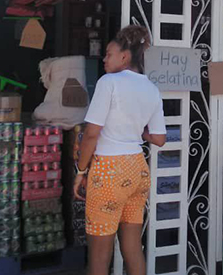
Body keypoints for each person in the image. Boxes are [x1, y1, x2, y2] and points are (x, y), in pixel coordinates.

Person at [73, 25, 167, 275]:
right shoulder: (152, 89)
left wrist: (80, 171)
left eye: (109, 54)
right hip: (137, 169)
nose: (104, 59)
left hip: (109, 171)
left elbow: (91, 134)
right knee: (133, 247)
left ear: (124, 57)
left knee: (99, 257)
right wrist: (138, 131)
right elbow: (159, 139)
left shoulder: (109, 82)